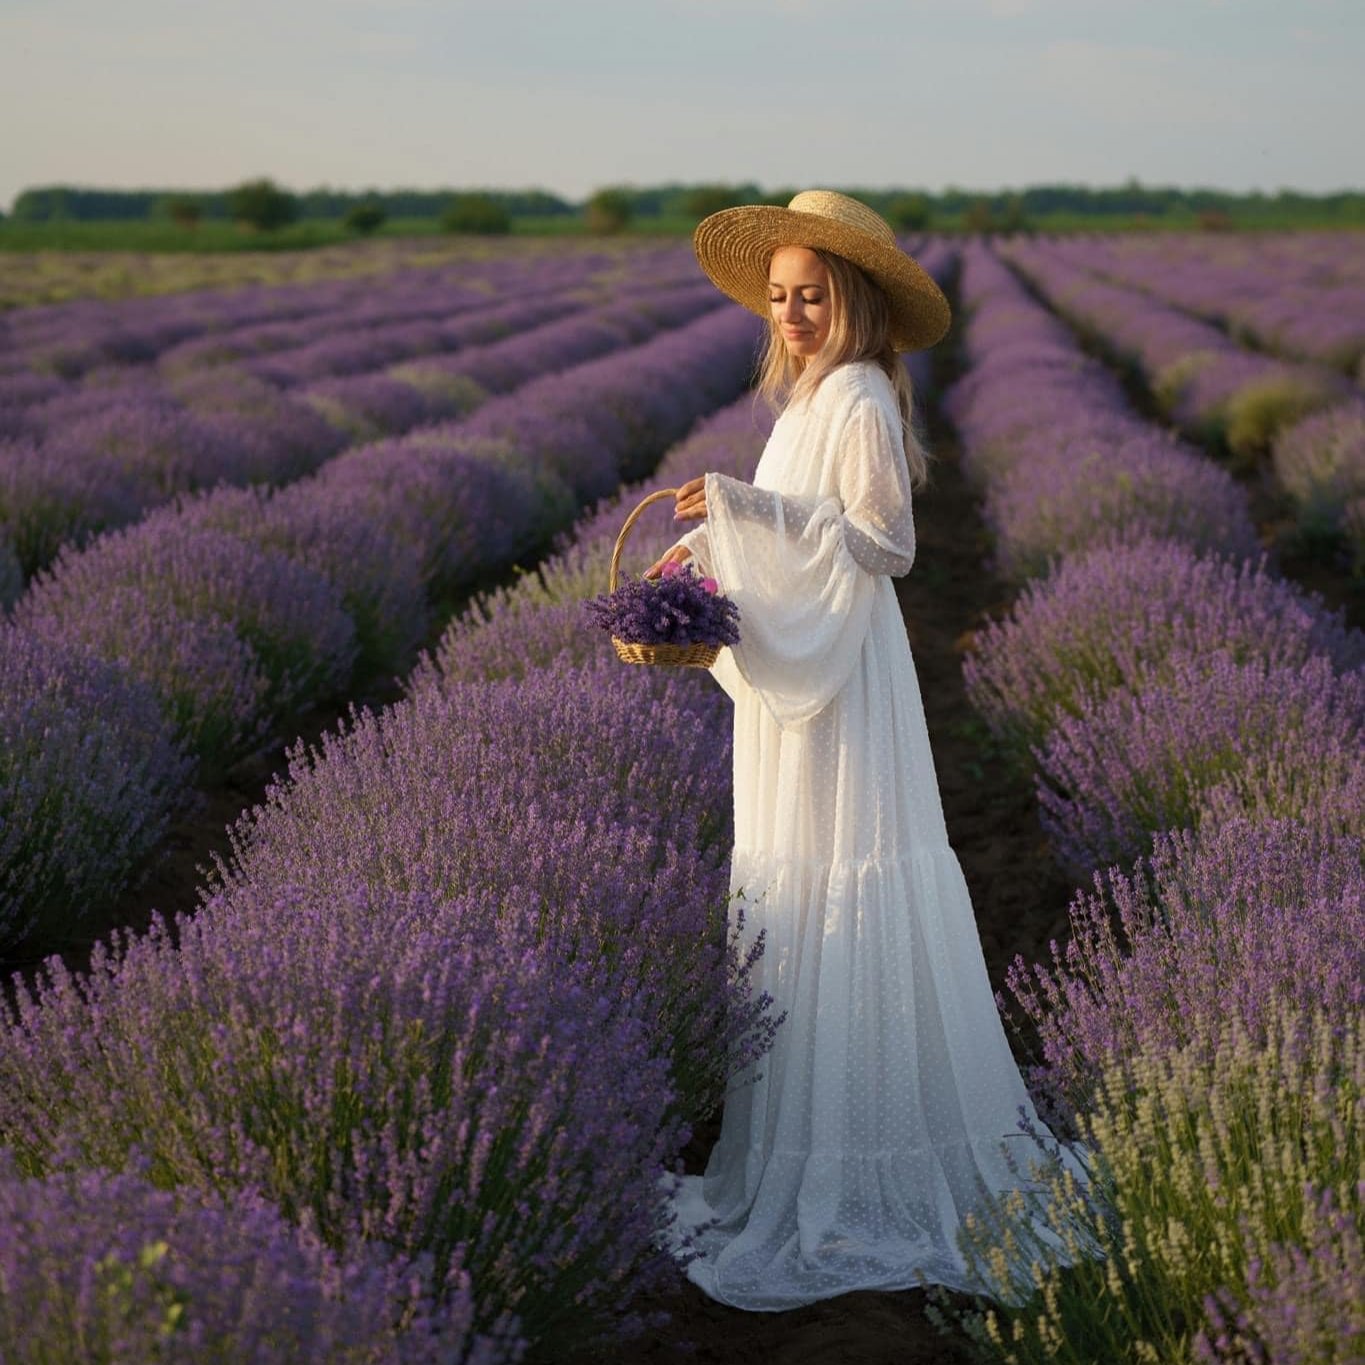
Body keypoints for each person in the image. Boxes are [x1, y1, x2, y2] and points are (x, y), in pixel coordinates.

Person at [644, 190, 1090, 1310]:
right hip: (802, 667)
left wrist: (748, 508)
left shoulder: (856, 396)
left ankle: (867, 1162)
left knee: (847, 868)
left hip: (843, 678)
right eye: (779, 296)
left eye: (811, 295)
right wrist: (709, 550)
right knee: (798, 882)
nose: (791, 314)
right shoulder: (803, 397)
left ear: (851, 301)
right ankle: (810, 1148)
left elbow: (886, 544)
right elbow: (797, 528)